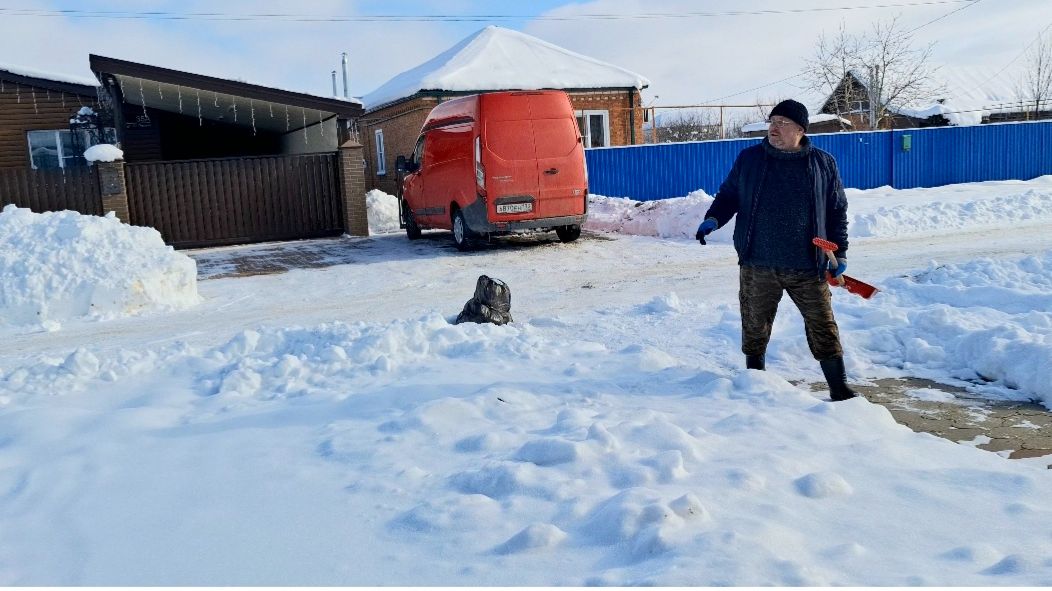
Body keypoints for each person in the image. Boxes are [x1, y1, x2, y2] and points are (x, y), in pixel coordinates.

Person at [696, 99, 858, 401]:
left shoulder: (823, 163)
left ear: (800, 129)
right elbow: (730, 195)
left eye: (783, 122)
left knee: (822, 323)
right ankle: (755, 382)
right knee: (755, 326)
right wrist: (713, 218)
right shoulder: (750, 159)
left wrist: (842, 252)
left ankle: (839, 387)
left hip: (809, 265)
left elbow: (837, 211)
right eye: (772, 120)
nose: (774, 127)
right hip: (758, 261)